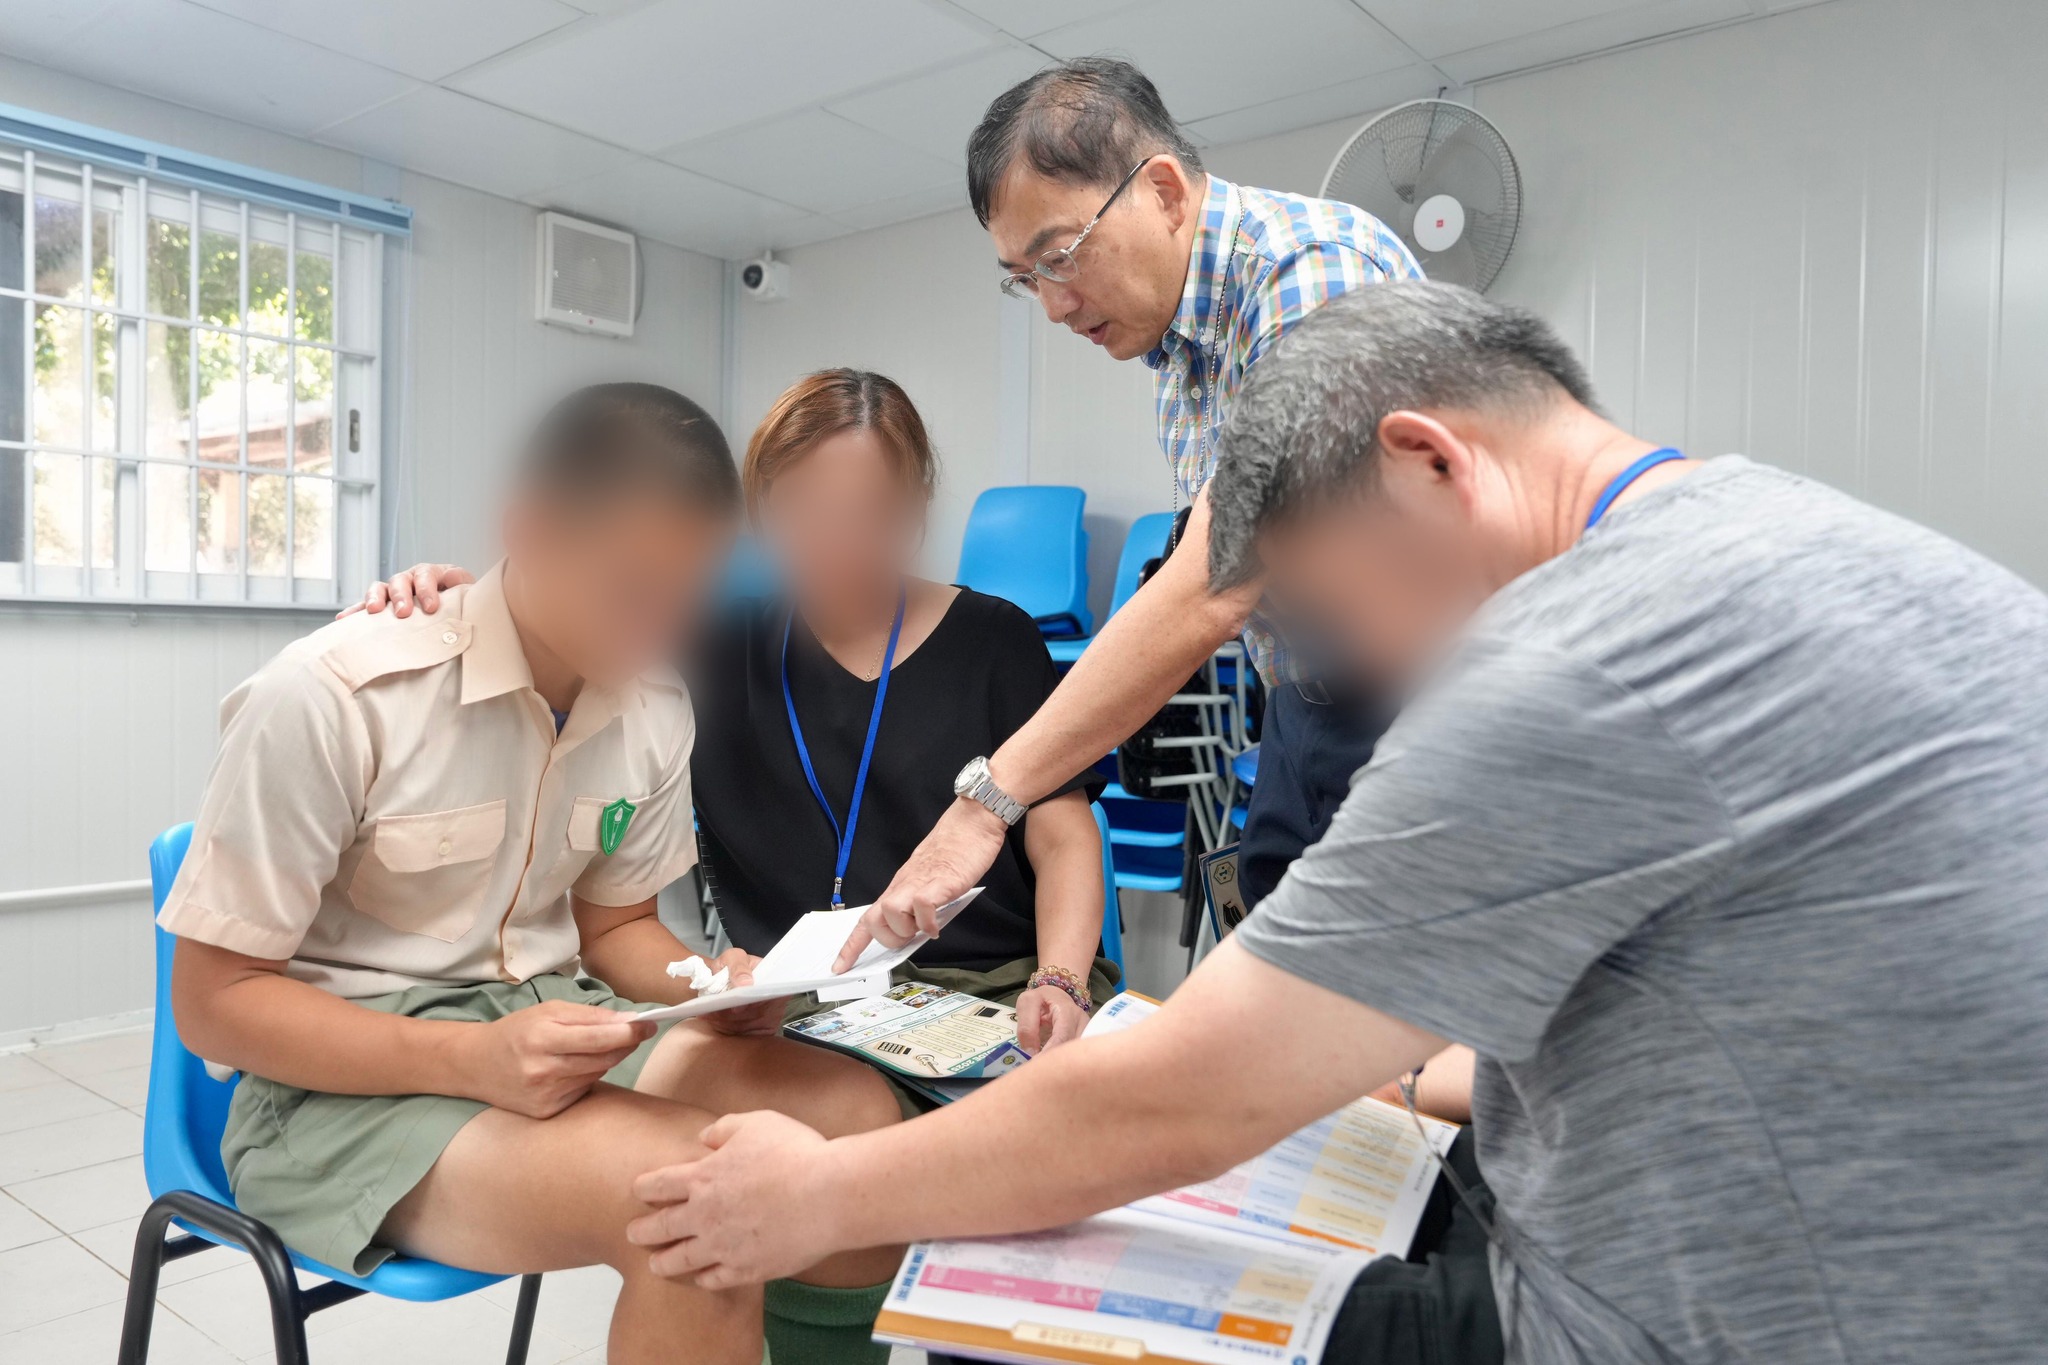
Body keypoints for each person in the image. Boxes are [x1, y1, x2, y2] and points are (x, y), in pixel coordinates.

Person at [618, 284, 2048, 1364]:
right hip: (1837, 1257)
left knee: (1033, 1274)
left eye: (1317, 614)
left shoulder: (1578, 665)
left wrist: (819, 1197)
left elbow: (1184, 1100)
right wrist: (1400, 1067)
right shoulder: (1771, 540)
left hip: (1717, 1317)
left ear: (1428, 464)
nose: (1345, 672)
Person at [159, 384, 907, 1365]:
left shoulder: (652, 703)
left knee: (858, 1125)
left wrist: (706, 986)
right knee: (701, 1206)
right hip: (338, 1091)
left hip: (553, 1027)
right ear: (531, 530)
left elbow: (617, 927)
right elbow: (213, 1005)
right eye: (634, 590)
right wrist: (467, 1059)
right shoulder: (333, 695)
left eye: (693, 597)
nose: (662, 633)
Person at [846, 57, 1427, 970]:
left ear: (1161, 191)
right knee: (1280, 980)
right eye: (1024, 277)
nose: (1052, 305)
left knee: (1411, 1015)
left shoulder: (1310, 273)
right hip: (1304, 700)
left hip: (1431, 704)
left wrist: (986, 803)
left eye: (1061, 256)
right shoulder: (1176, 358)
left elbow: (1220, 581)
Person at [347, 369, 1115, 1054]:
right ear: (760, 512)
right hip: (799, 1004)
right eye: (806, 512)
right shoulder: (709, 649)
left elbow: (1063, 833)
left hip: (995, 985)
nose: (837, 544)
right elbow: (573, 612)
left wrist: (1061, 978)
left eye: (869, 513)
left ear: (916, 505)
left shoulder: (995, 641)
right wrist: (455, 597)